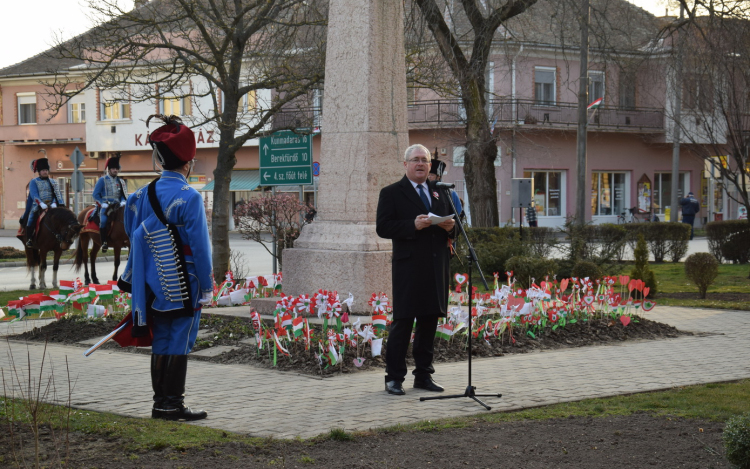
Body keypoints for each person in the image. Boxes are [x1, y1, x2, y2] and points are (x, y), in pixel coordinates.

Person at [117, 114, 213, 421]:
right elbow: (200, 247)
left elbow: (135, 236)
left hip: (150, 281)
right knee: (181, 338)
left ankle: (161, 404)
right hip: (185, 280)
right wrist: (208, 286)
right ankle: (173, 404)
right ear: (187, 163)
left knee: (161, 338)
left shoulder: (138, 196)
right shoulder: (190, 197)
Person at [376, 144, 456, 396]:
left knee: (429, 321)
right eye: (415, 160)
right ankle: (394, 378)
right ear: (405, 165)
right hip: (409, 267)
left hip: (436, 265)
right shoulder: (391, 193)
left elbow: (456, 227)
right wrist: (412, 225)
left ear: (430, 165)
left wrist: (449, 228)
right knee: (403, 322)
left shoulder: (440, 191)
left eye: (425, 160)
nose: (420, 164)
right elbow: (384, 227)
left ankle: (423, 376)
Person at [24, 158, 64, 248]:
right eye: (43, 170)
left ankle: (62, 237)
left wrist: (54, 203)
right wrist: (41, 203)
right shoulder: (34, 182)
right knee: (31, 218)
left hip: (52, 205)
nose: (45, 172)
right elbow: (34, 194)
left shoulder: (53, 182)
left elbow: (57, 194)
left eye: (46, 170)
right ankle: (29, 239)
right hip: (38, 205)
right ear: (39, 171)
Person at [92, 153, 128, 252]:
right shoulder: (102, 180)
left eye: (117, 168)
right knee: (103, 220)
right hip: (106, 205)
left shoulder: (121, 181)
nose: (115, 170)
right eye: (113, 168)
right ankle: (103, 242)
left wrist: (123, 201)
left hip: (118, 205)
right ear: (109, 169)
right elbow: (95, 194)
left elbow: (123, 195)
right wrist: (102, 203)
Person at [427, 150, 463, 217]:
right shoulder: (423, 191)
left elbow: (458, 211)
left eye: (431, 175)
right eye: (427, 175)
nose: (429, 177)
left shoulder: (451, 193)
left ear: (438, 177)